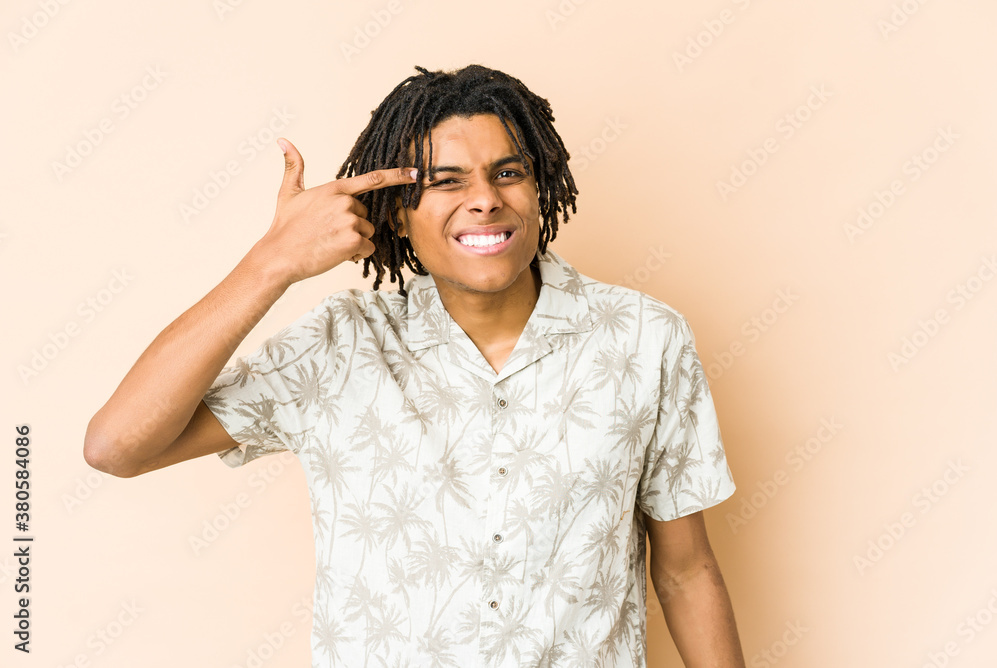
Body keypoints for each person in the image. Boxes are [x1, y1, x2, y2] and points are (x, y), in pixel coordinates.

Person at [84, 64, 745, 667]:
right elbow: (118, 446)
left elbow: (686, 572)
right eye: (446, 182)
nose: (484, 199)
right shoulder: (339, 346)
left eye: (508, 172)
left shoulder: (642, 339)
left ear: (541, 187)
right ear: (398, 216)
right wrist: (272, 263)